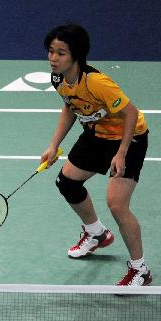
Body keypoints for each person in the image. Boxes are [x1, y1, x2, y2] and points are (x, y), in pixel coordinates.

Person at [41, 23, 151, 287]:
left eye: (61, 53)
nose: (54, 58)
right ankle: (97, 233)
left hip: (129, 137)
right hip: (97, 134)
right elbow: (70, 107)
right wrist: (54, 144)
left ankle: (140, 269)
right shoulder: (58, 78)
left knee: (116, 204)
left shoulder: (97, 83)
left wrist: (122, 153)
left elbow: (131, 113)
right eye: (51, 51)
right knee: (66, 182)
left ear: (76, 55)